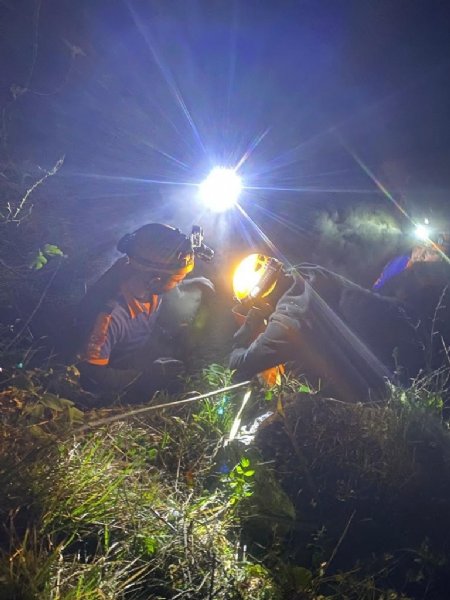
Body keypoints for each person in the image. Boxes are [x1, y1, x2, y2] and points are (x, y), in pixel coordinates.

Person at [229, 253, 438, 403]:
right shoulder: (310, 272)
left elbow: (240, 364)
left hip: (396, 378)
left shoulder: (286, 323)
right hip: (415, 330)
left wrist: (247, 327)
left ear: (260, 302)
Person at [76, 223, 214, 402]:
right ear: (156, 280)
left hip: (140, 345)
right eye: (178, 279)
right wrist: (146, 377)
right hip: (117, 368)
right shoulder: (110, 319)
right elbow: (92, 374)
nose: (179, 284)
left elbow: (170, 294)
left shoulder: (145, 283)